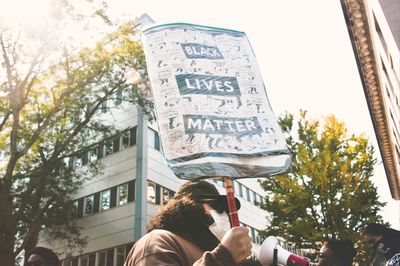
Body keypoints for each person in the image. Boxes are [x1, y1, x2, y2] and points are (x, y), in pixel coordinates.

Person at [124, 180, 252, 265]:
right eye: (215, 206)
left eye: (224, 210)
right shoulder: (159, 240)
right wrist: (223, 256)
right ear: (189, 204)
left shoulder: (206, 251)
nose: (222, 214)